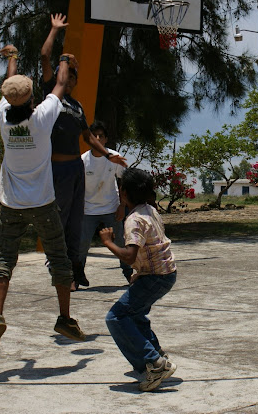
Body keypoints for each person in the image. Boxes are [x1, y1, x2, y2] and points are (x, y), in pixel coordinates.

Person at [0, 46, 85, 351]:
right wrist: (65, 58)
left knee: (4, 260)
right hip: (42, 203)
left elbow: (9, 87)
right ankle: (64, 317)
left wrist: (12, 56)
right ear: (30, 100)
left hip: (11, 203)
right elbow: (60, 84)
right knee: (59, 259)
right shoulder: (41, 119)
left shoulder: (4, 117)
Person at [41, 13, 126, 291]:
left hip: (75, 170)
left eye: (74, 79)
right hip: (58, 169)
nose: (71, 81)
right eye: (67, 77)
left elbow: (88, 136)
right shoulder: (50, 97)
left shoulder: (76, 106)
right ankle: (59, 269)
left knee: (75, 226)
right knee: (60, 221)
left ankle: (75, 272)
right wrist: (55, 32)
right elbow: (45, 55)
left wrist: (109, 153)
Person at [99, 168, 177, 392]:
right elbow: (150, 248)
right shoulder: (150, 209)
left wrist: (108, 242)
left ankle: (153, 363)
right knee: (135, 313)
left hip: (155, 276)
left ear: (123, 192)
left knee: (115, 317)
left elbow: (129, 255)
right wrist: (139, 273)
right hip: (163, 273)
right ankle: (157, 354)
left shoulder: (134, 220)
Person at [77, 121, 132, 287]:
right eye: (95, 135)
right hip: (88, 209)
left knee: (121, 242)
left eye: (101, 135)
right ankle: (77, 277)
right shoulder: (83, 160)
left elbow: (124, 182)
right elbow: (77, 187)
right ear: (90, 139)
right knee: (81, 245)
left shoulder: (114, 157)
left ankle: (129, 274)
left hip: (111, 207)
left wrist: (122, 206)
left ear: (106, 139)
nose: (98, 138)